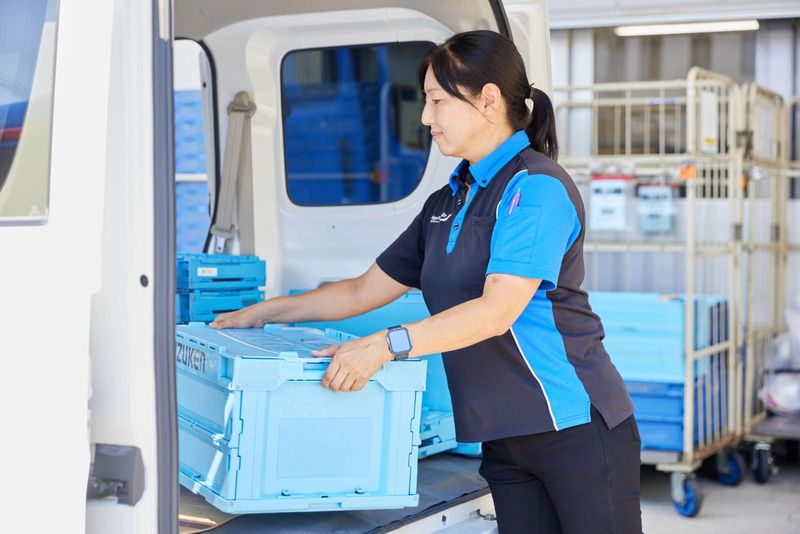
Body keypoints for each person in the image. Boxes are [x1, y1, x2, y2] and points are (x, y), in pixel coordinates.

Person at [211, 30, 642, 534]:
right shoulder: (447, 201)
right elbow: (361, 290)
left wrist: (385, 346)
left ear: (488, 99)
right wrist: (261, 313)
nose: (424, 117)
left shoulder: (535, 189)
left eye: (437, 101)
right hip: (504, 436)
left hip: (574, 427)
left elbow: (497, 311)